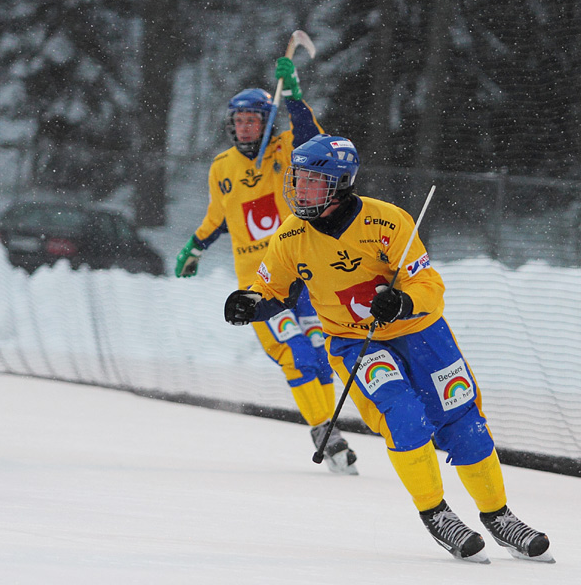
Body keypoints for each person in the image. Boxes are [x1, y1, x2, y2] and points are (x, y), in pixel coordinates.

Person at [223, 134, 554, 563]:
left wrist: (402, 300)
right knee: (405, 417)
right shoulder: (291, 236)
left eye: (311, 181)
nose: (298, 188)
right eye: (297, 178)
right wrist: (251, 304)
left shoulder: (389, 222)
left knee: (463, 422)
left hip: (421, 332)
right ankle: (436, 515)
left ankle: (499, 516)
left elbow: (428, 284)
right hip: (354, 340)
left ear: (339, 184)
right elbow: (272, 289)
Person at [174, 59, 358, 475]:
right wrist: (195, 246)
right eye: (237, 121)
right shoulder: (222, 167)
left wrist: (293, 97)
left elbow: (317, 138)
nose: (243, 127)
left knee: (319, 352)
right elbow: (218, 217)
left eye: (252, 120)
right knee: (295, 355)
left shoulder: (287, 152)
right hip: (261, 288)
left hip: (303, 276)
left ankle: (328, 431)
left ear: (266, 122)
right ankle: (324, 430)